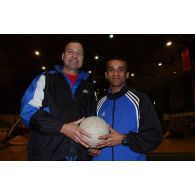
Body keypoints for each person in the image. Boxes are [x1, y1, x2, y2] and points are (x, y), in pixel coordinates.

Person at [20, 41, 97, 160]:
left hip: (81, 157)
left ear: (83, 58)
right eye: (70, 52)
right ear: (62, 56)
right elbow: (27, 112)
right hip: (47, 156)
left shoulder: (89, 88)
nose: (74, 56)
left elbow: (93, 119)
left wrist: (93, 144)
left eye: (79, 53)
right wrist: (62, 127)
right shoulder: (46, 79)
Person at [88, 57, 163, 160]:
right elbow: (89, 134)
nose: (115, 73)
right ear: (106, 75)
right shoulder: (98, 104)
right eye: (111, 69)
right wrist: (91, 148)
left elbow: (155, 137)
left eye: (121, 69)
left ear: (127, 74)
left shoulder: (140, 100)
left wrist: (125, 139)